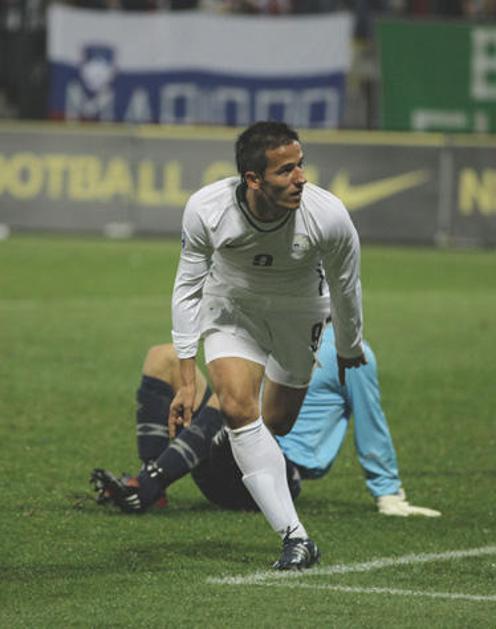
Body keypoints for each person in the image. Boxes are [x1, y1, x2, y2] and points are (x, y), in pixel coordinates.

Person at [95, 121, 367, 571]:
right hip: (232, 308)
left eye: (301, 165)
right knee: (239, 408)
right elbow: (187, 288)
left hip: (300, 312)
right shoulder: (208, 209)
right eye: (286, 171)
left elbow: (345, 284)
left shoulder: (329, 216)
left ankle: (225, 447)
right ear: (253, 179)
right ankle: (296, 538)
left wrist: (349, 345)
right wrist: (187, 376)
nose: (300, 178)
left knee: (276, 421)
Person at [91, 324, 440, 522]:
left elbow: (370, 419)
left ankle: (146, 485)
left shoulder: (349, 351)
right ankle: (152, 485)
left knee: (231, 401)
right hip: (222, 448)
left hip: (276, 474)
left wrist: (388, 492)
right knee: (163, 356)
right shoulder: (272, 329)